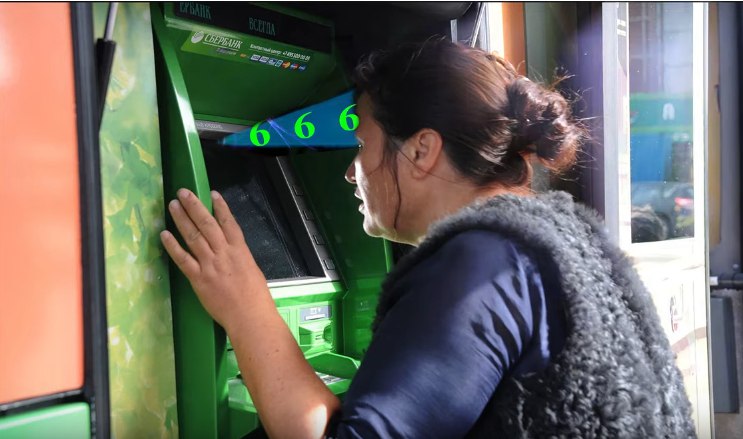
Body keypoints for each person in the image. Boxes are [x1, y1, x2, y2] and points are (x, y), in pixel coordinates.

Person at [160, 39, 697, 438]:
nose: (350, 172)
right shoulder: (562, 237)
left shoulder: (479, 263)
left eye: (361, 145)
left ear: (421, 149)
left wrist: (247, 306)